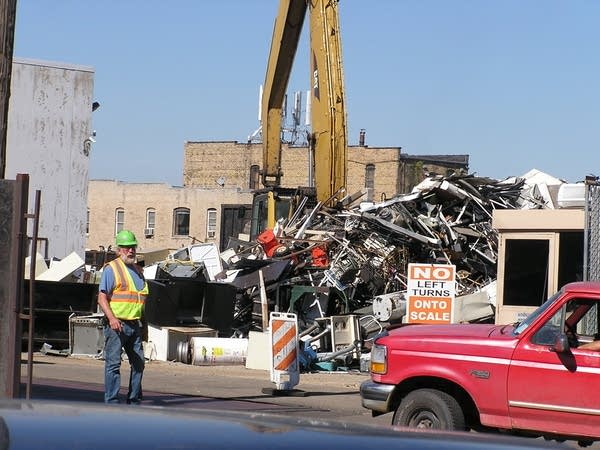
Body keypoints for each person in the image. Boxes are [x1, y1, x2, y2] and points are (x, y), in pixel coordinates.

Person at [97, 230, 148, 404]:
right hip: (117, 325)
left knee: (139, 363)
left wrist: (144, 327)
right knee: (113, 364)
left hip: (134, 325)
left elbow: (140, 300)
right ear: (119, 250)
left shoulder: (138, 271)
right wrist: (111, 319)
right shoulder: (112, 269)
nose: (130, 251)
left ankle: (133, 399)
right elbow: (102, 297)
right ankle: (111, 401)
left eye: (132, 247)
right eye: (126, 248)